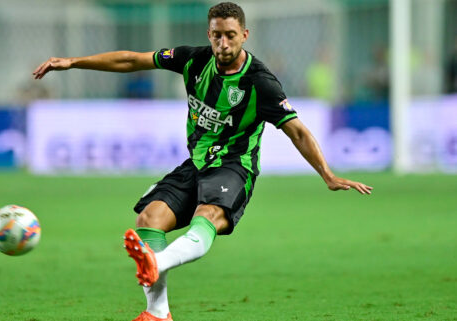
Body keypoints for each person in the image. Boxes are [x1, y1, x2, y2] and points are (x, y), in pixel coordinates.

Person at [33, 3, 373, 320]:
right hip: (196, 163)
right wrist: (73, 62)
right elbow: (131, 60)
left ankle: (157, 261)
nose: (223, 43)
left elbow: (297, 131)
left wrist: (328, 175)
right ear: (209, 35)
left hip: (235, 167)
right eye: (216, 35)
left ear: (244, 35)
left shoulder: (260, 83)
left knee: (207, 214)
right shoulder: (193, 60)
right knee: (149, 218)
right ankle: (157, 313)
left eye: (230, 35)